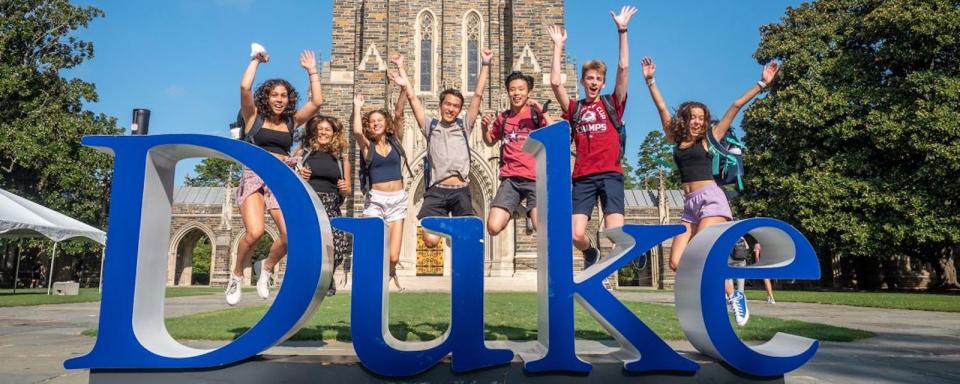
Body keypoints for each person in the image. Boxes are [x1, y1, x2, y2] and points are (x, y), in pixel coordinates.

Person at [642, 54, 780, 326]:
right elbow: (660, 108)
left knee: (701, 250)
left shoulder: (710, 138)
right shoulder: (676, 139)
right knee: (676, 262)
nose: (696, 121)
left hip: (712, 201)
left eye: (701, 118)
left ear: (706, 122)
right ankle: (721, 290)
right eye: (692, 117)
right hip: (690, 205)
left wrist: (762, 84)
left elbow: (735, 106)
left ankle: (733, 297)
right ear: (685, 119)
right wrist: (650, 81)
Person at [226, 49, 323, 306]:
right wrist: (255, 61)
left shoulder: (291, 122)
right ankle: (236, 274)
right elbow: (245, 87)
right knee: (255, 232)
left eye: (283, 95)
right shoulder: (253, 118)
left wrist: (312, 71)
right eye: (274, 95)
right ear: (266, 97)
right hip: (256, 177)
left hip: (282, 178)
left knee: (291, 235)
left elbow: (316, 104)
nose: (279, 99)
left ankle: (266, 268)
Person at [548, 5, 637, 271]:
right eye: (589, 78)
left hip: (610, 173)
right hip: (583, 176)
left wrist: (622, 30)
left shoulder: (613, 103)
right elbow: (554, 83)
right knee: (575, 234)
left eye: (598, 78)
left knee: (614, 231)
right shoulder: (575, 109)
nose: (594, 82)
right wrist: (557, 46)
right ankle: (591, 252)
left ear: (603, 81)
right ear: (583, 81)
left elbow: (623, 67)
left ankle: (634, 247)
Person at [388, 48, 492, 248]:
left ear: (460, 109)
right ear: (441, 105)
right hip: (437, 190)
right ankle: (450, 228)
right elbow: (413, 100)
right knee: (429, 240)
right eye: (447, 104)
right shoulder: (431, 126)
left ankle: (456, 233)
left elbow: (477, 95)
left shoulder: (464, 126)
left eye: (455, 106)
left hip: (461, 190)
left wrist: (485, 64)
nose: (450, 108)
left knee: (466, 241)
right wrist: (401, 69)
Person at [353, 53, 411, 291]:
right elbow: (357, 132)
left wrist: (402, 85)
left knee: (394, 255)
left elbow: (398, 113)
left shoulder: (396, 141)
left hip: (397, 200)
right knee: (370, 247)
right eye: (372, 121)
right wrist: (358, 108)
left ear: (386, 124)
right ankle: (370, 283)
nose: (376, 123)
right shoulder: (368, 147)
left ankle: (392, 270)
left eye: (379, 120)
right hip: (376, 201)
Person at [480, 71, 553, 237]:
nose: (517, 93)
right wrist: (485, 128)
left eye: (521, 89)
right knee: (492, 227)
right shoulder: (503, 118)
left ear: (528, 92)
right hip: (511, 179)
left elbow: (554, 132)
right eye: (512, 89)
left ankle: (529, 212)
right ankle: (515, 210)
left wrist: (543, 112)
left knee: (539, 227)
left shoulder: (535, 115)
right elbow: (490, 140)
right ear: (508, 92)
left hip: (535, 178)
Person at [294, 114, 351, 296]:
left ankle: (328, 276)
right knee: (312, 244)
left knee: (339, 246)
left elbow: (347, 189)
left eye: (327, 129)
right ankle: (312, 280)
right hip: (310, 202)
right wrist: (299, 174)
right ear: (314, 132)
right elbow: (290, 178)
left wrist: (344, 188)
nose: (323, 132)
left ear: (334, 133)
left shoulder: (341, 158)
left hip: (332, 203)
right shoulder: (303, 153)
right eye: (320, 129)